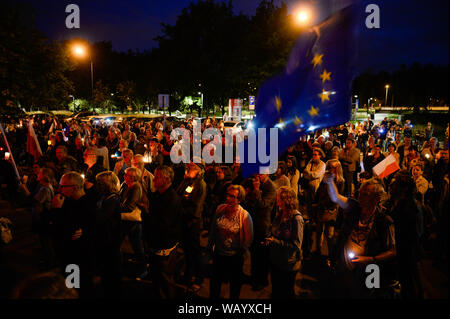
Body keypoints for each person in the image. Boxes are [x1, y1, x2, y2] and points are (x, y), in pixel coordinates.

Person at [324, 175, 396, 298]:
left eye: (365, 194)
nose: (359, 197)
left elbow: (393, 251)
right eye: (360, 193)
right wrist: (329, 181)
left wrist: (371, 259)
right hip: (345, 267)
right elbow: (335, 197)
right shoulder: (354, 207)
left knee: (368, 295)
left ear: (376, 199)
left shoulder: (384, 221)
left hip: (371, 270)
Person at [49, 172, 95, 298]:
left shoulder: (87, 205)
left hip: (77, 257)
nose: (59, 189)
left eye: (63, 186)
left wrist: (57, 210)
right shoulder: (68, 202)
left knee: (76, 287)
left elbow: (66, 229)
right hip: (68, 256)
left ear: (74, 188)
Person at [208, 185, 253, 299]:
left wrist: (240, 253)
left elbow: (249, 239)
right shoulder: (220, 208)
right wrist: (210, 245)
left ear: (239, 199)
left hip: (234, 257)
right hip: (219, 253)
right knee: (215, 283)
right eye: (228, 195)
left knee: (234, 285)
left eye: (233, 196)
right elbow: (213, 228)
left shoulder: (244, 215)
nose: (228, 199)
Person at [146, 165, 184, 298]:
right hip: (156, 244)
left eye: (157, 177)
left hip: (164, 249)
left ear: (167, 179)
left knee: (165, 283)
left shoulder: (171, 199)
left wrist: (146, 214)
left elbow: (163, 225)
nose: (154, 179)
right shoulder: (158, 194)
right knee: (157, 280)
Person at [388, 170, 424, 299]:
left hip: (407, 248)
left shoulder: (409, 205)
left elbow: (412, 230)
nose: (393, 186)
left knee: (409, 278)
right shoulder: (402, 202)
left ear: (405, 188)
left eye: (397, 184)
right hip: (406, 247)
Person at [264, 186, 304, 299]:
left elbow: (296, 245)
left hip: (288, 264)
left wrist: (275, 241)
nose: (276, 199)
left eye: (278, 197)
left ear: (286, 200)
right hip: (276, 260)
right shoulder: (280, 213)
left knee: (286, 292)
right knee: (276, 290)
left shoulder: (297, 219)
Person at [242, 173, 276, 291]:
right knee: (254, 253)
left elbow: (263, 205)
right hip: (252, 222)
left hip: (262, 225)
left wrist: (256, 190)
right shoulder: (255, 181)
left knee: (262, 255)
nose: (258, 175)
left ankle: (262, 280)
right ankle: (254, 277)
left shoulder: (270, 187)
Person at [176, 162, 207, 290]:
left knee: (194, 250)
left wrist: (183, 210)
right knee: (187, 250)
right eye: (188, 167)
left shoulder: (200, 184)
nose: (189, 169)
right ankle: (187, 275)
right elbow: (178, 195)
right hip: (184, 219)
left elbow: (196, 206)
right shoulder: (188, 181)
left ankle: (198, 277)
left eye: (192, 167)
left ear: (199, 170)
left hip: (192, 222)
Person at [94, 171, 123, 297]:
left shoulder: (113, 199)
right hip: (104, 238)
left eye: (100, 183)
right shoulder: (104, 196)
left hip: (110, 239)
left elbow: (102, 218)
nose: (98, 185)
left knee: (111, 270)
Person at [119, 167, 147, 279]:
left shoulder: (136, 187)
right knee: (134, 245)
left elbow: (129, 207)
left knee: (137, 246)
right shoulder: (125, 185)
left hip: (133, 223)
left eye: (126, 175)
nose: (124, 176)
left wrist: (115, 206)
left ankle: (143, 268)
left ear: (132, 177)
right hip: (126, 221)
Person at [314, 159, 344, 260]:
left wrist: (328, 205)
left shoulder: (340, 181)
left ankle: (331, 256)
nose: (331, 169)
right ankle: (318, 252)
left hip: (331, 210)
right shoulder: (326, 177)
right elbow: (319, 191)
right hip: (321, 208)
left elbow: (337, 197)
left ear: (337, 168)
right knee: (318, 232)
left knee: (329, 234)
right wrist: (317, 202)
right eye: (330, 167)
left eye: (333, 167)